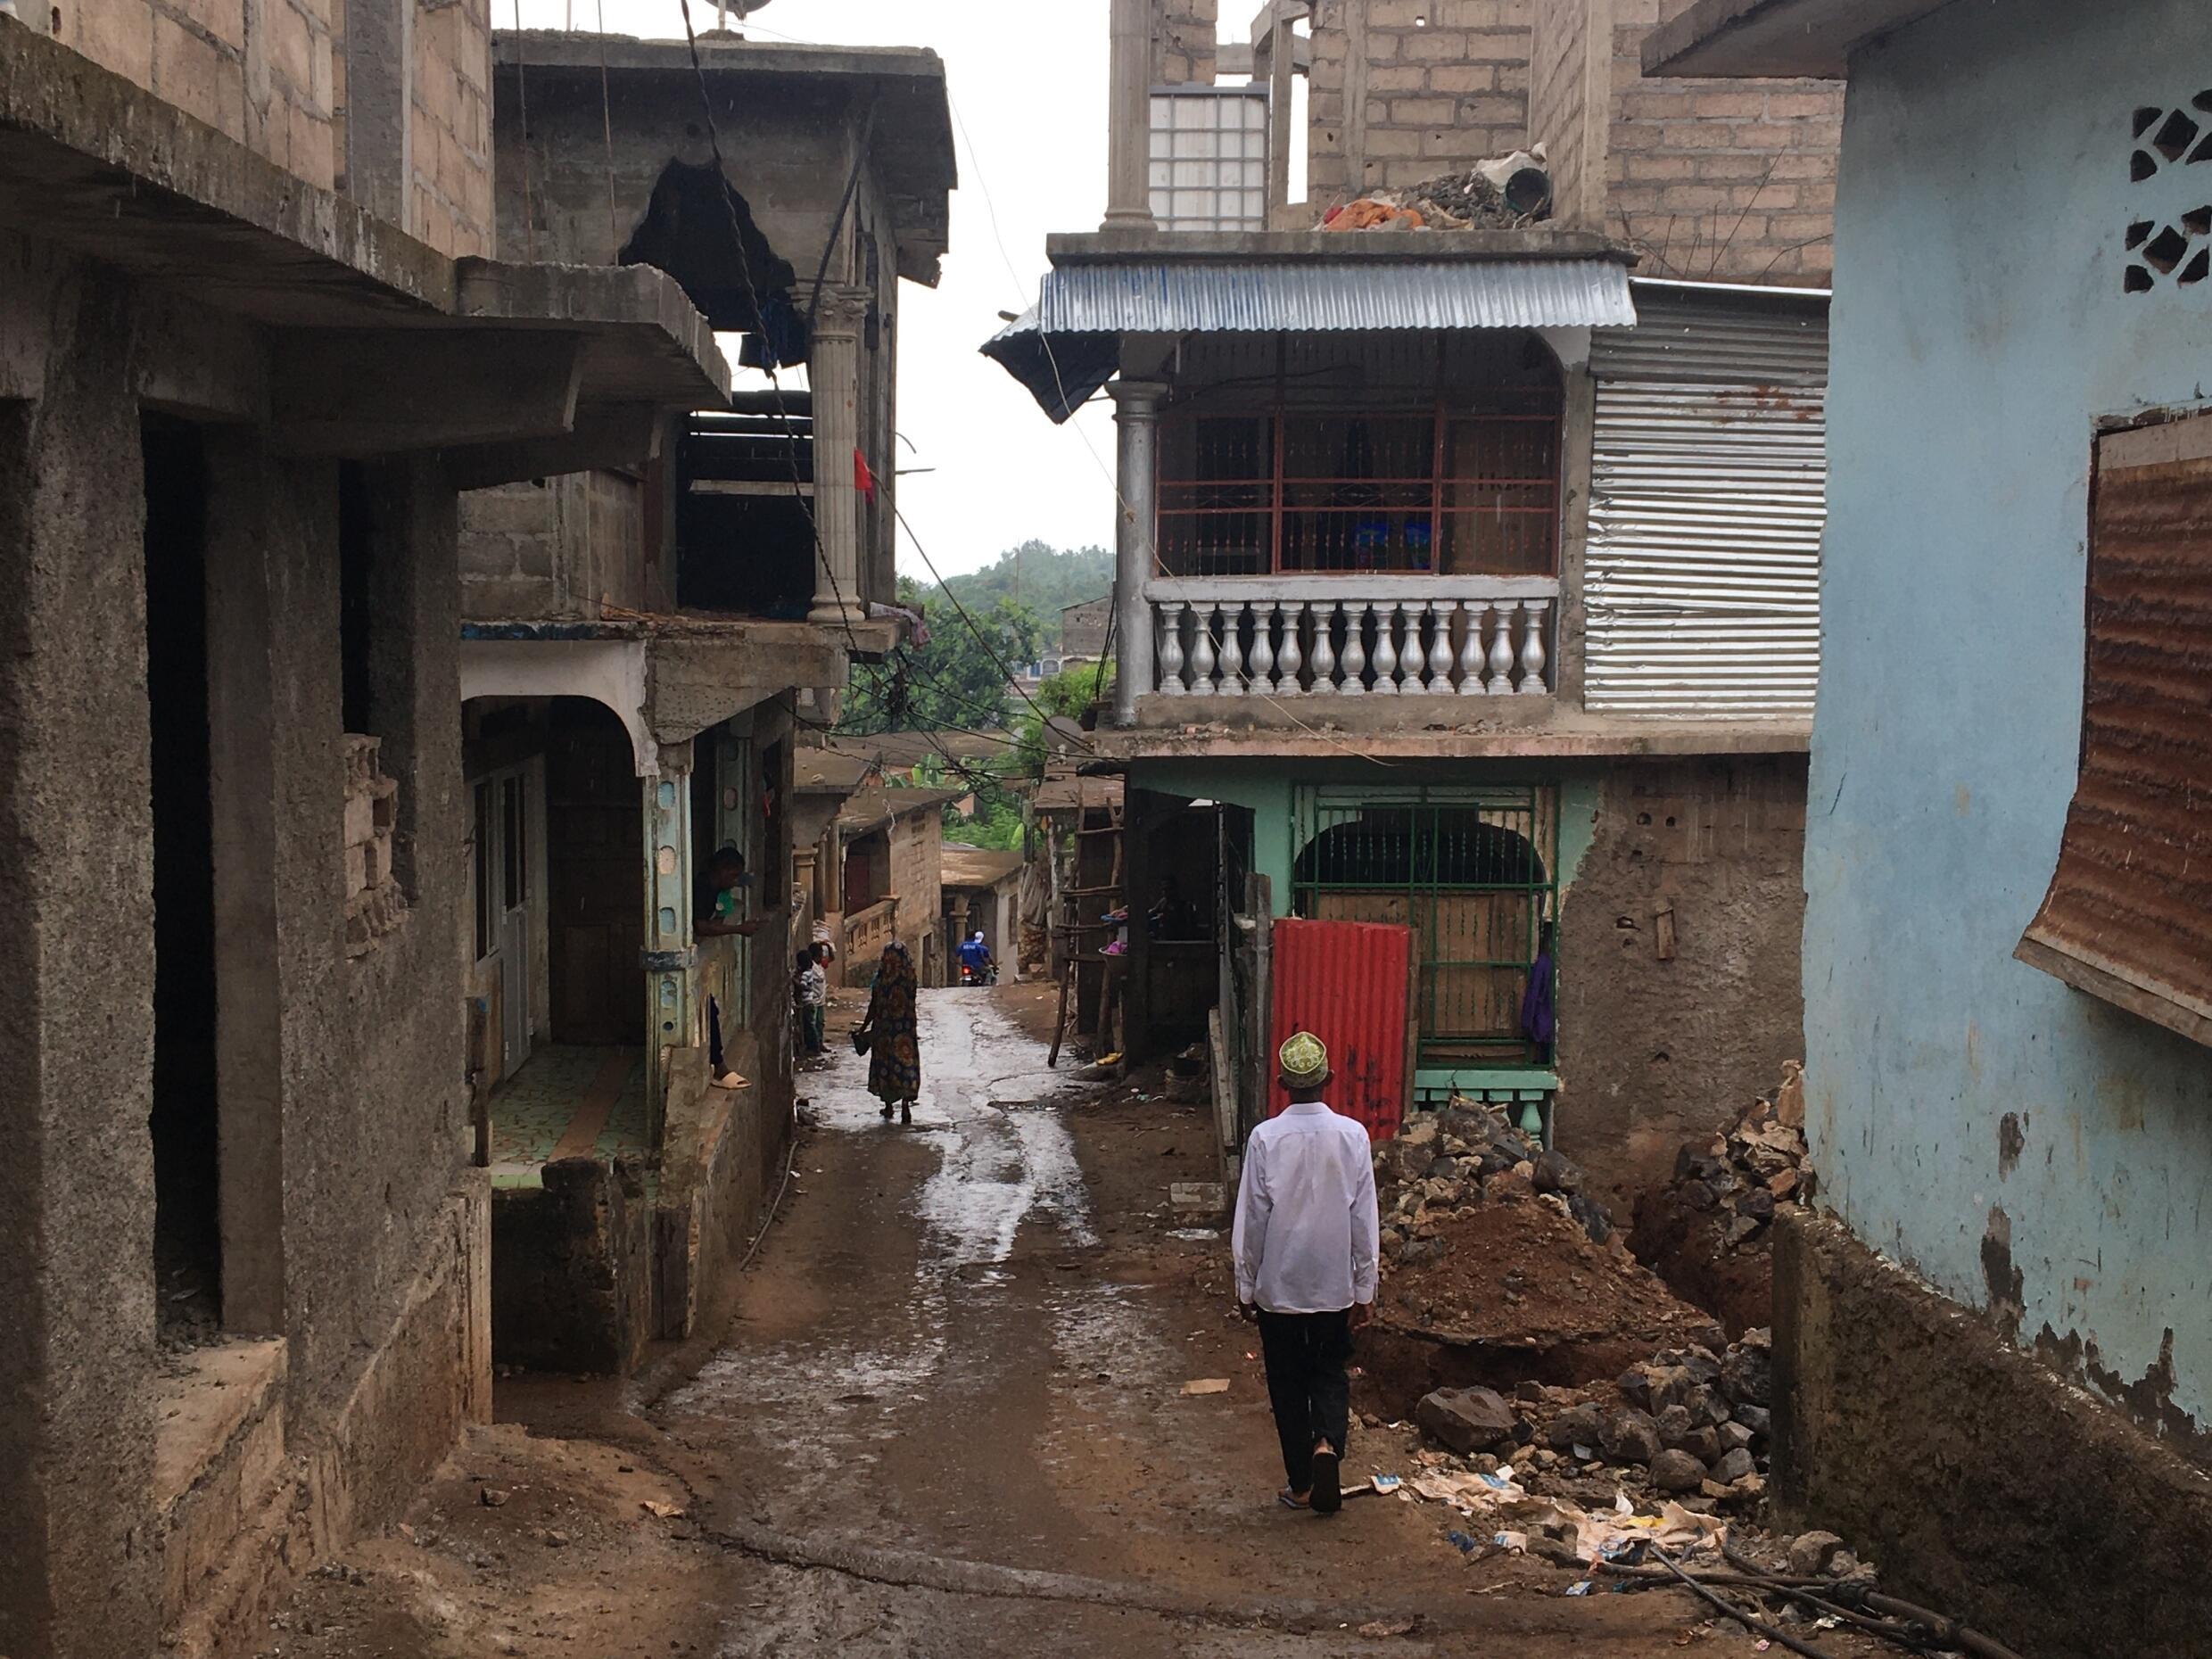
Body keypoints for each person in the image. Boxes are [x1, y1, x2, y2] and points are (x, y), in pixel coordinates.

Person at [1231, 1032, 1380, 1516]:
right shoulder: (1354, 1136)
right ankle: (1326, 1446)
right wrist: (1365, 1286)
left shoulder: (1265, 1139)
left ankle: (1300, 1484)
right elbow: (1364, 1218)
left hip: (1280, 1285)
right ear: (1329, 1079)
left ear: (1281, 1084)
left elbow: (1252, 1217)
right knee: (1330, 1372)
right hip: (1334, 1285)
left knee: (1288, 1383)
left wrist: (1246, 1283)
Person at [695, 846, 762, 1091]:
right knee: (708, 1011)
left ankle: (718, 1063)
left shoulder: (717, 892)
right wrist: (738, 929)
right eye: (733, 876)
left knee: (711, 1009)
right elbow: (701, 926)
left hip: (703, 964)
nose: (734, 882)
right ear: (721, 870)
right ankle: (718, 1065)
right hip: (692, 965)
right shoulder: (702, 890)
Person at [857, 938, 920, 1123]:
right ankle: (905, 1107)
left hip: (883, 1031)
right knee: (904, 1065)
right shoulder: (910, 978)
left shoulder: (881, 980)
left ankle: (888, 1106)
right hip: (905, 1032)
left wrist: (863, 1028)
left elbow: (873, 1006)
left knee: (885, 1067)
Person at [792, 947, 828, 1056]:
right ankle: (813, 1046)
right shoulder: (809, 972)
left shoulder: (807, 974)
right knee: (810, 1026)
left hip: (808, 1003)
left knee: (810, 1026)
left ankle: (814, 1047)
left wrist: (793, 979)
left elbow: (802, 986)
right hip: (810, 1002)